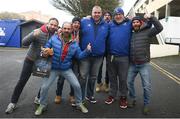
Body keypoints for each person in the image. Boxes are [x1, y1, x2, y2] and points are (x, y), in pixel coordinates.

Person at [35, 22, 91, 115]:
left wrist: (87, 51)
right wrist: (44, 52)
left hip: (66, 69)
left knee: (76, 85)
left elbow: (79, 56)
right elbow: (45, 49)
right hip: (53, 68)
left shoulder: (74, 43)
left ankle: (79, 103)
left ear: (71, 30)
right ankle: (42, 105)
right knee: (44, 87)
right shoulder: (54, 39)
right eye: (65, 28)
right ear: (62, 29)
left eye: (68, 29)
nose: (66, 30)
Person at [5, 18, 59, 114]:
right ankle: (13, 103)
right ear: (48, 24)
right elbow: (24, 42)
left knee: (44, 84)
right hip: (30, 61)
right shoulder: (38, 31)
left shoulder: (55, 36)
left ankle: (38, 98)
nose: (53, 27)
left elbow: (55, 49)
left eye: (55, 25)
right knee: (22, 82)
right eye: (52, 24)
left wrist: (51, 52)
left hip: (43, 63)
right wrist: (33, 35)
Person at [127, 14, 163, 115]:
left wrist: (151, 17)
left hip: (144, 64)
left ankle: (146, 104)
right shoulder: (130, 33)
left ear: (141, 23)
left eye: (137, 22)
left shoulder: (148, 32)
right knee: (128, 83)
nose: (135, 24)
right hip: (133, 64)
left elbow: (160, 28)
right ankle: (133, 98)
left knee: (146, 86)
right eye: (133, 22)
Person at [79, 5, 109, 103]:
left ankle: (90, 95)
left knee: (93, 77)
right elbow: (73, 28)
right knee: (83, 77)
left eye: (98, 13)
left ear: (101, 14)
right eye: (95, 12)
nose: (96, 14)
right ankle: (80, 96)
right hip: (85, 55)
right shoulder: (84, 21)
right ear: (91, 13)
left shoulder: (106, 25)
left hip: (98, 57)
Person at [104, 7, 132, 109]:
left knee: (123, 79)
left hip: (124, 57)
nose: (118, 16)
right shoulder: (109, 25)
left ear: (123, 15)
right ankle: (112, 95)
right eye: (116, 14)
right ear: (113, 16)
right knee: (112, 77)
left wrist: (149, 18)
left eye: (120, 14)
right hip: (111, 56)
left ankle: (123, 97)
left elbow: (142, 25)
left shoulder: (129, 24)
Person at [54, 17, 81, 105]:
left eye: (78, 23)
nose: (76, 24)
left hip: (76, 59)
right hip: (65, 58)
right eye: (74, 23)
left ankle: (72, 95)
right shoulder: (65, 32)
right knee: (61, 78)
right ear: (72, 24)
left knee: (74, 77)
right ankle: (58, 94)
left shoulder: (82, 32)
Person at [96, 11, 112, 93]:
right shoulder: (100, 24)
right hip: (101, 49)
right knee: (99, 67)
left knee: (109, 68)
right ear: (103, 17)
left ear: (111, 17)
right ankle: (99, 83)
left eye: (109, 15)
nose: (107, 16)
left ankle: (106, 84)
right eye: (105, 15)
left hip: (109, 50)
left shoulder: (113, 25)